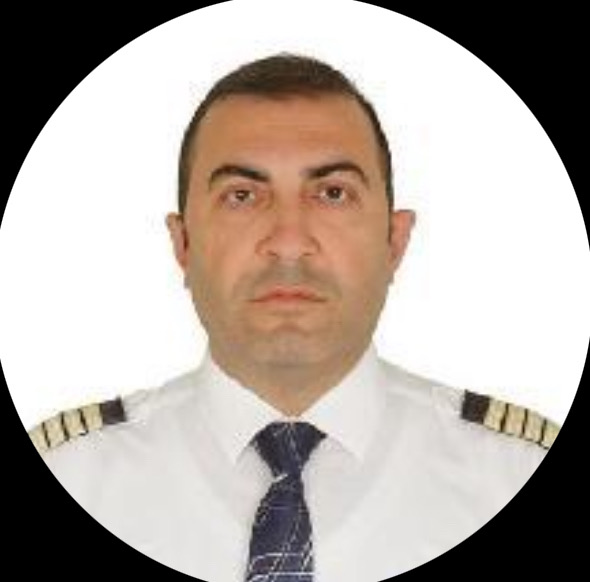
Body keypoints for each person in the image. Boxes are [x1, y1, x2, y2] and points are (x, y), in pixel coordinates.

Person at [28, 53, 559, 582]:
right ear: (183, 243)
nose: (288, 242)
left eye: (333, 194)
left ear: (394, 242)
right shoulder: (71, 477)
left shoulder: (514, 476)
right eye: (241, 196)